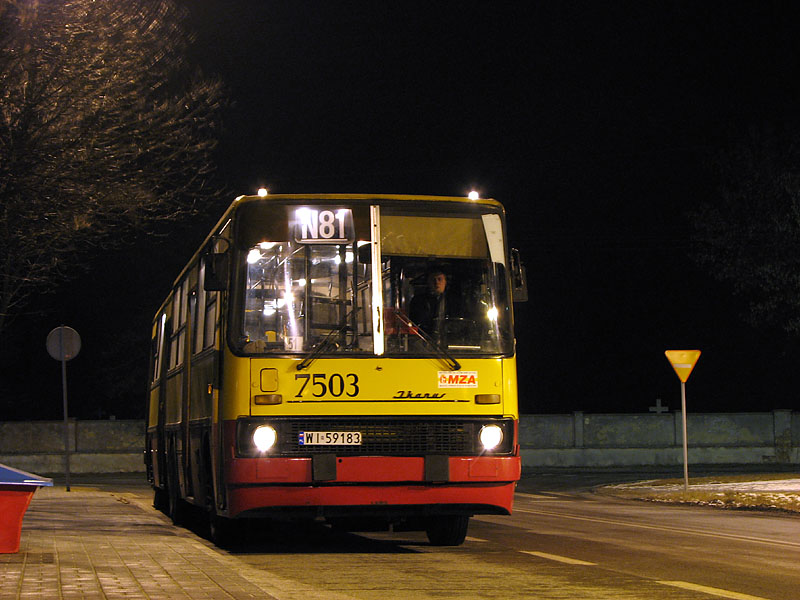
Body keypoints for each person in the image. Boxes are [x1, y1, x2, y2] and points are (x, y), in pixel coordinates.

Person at [408, 268, 461, 343]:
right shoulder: (418, 300)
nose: (436, 283)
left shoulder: (453, 301)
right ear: (428, 282)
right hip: (424, 340)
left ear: (445, 282)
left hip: (450, 340)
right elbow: (414, 322)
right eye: (433, 280)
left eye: (440, 279)